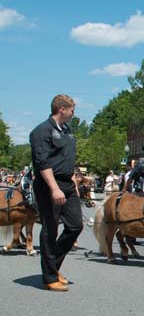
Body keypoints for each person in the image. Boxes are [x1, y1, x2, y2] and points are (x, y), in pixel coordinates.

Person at [29, 94, 84, 292]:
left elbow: (66, 158)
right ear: (62, 109)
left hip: (68, 184)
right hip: (49, 185)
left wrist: (73, 181)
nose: (73, 112)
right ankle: (49, 277)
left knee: (75, 226)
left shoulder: (67, 129)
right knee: (50, 230)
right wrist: (54, 188)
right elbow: (43, 163)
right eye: (72, 109)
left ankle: (53, 266)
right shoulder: (41, 131)